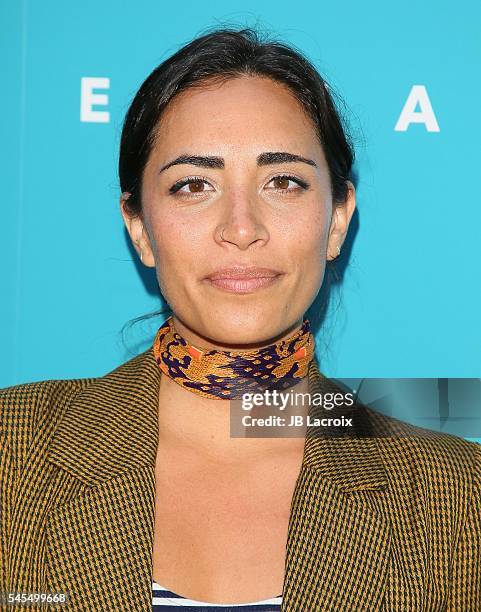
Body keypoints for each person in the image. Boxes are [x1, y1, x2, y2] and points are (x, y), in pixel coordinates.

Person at [1, 27, 479, 612]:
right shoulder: (13, 448)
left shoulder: (456, 497)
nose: (242, 227)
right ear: (138, 227)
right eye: (193, 185)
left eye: (283, 182)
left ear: (336, 220)